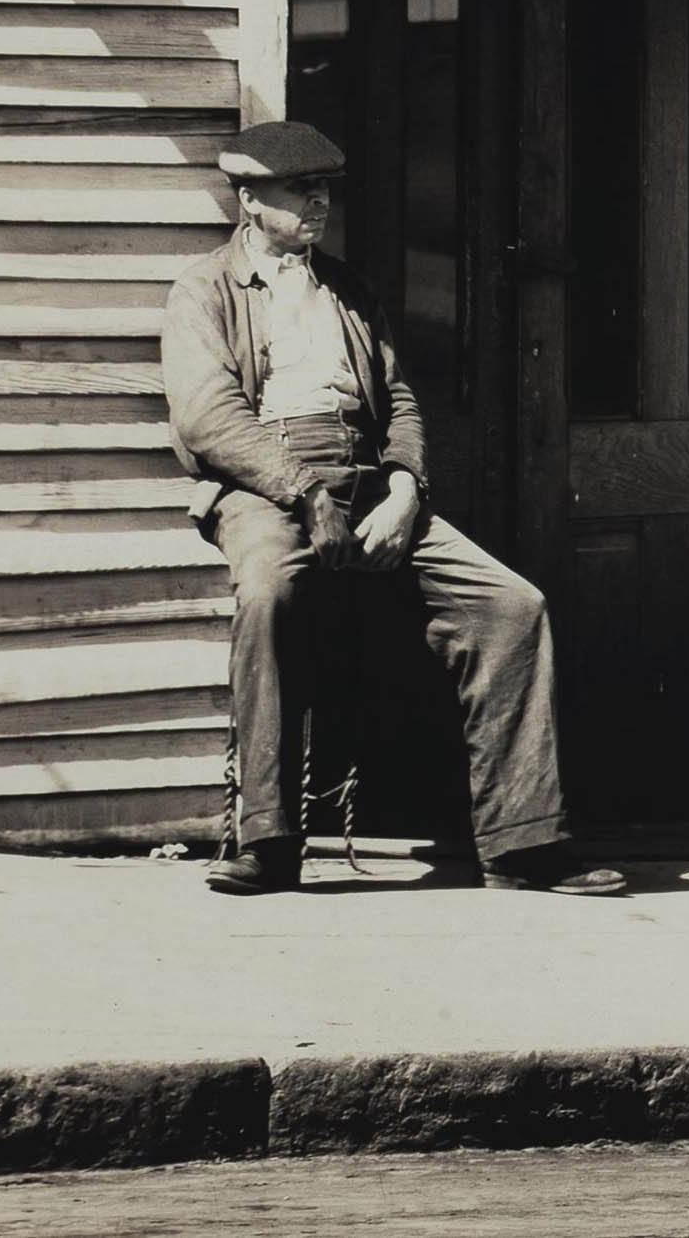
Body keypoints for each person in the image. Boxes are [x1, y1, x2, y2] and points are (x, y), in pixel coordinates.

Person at [164, 121, 624, 896]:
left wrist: (406, 490)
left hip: (369, 482)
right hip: (265, 489)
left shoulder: (346, 287)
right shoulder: (203, 289)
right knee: (271, 596)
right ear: (248, 199)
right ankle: (269, 840)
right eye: (297, 189)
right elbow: (207, 418)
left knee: (512, 606)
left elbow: (400, 400)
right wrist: (305, 493)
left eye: (323, 189)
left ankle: (520, 843)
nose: (318, 202)